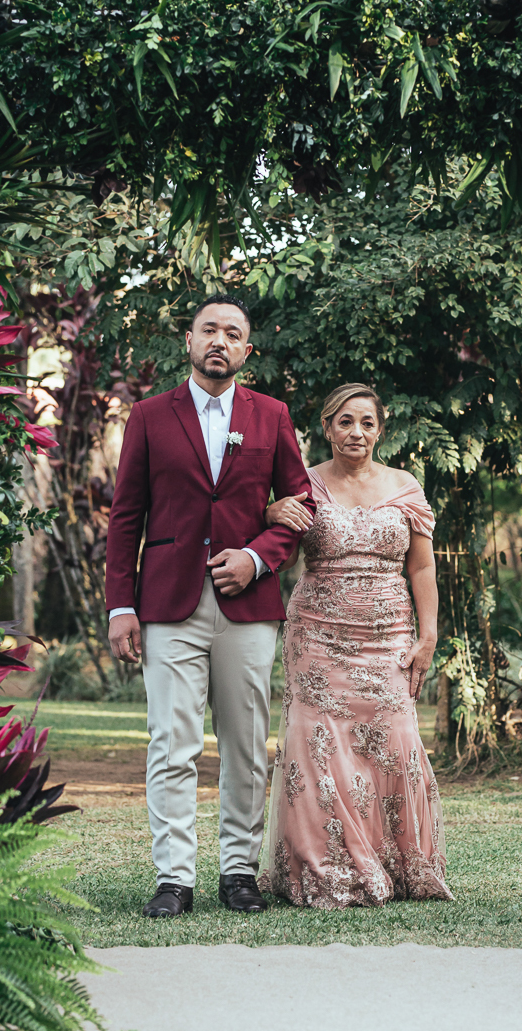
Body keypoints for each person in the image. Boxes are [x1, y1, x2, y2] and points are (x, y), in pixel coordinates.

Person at [104, 295, 315, 918]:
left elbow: (300, 506)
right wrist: (120, 606)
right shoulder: (148, 416)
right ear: (189, 341)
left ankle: (239, 873)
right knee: (172, 744)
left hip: (248, 604)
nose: (219, 340)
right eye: (209, 330)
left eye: (233, 333)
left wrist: (257, 557)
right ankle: (174, 878)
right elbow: (125, 517)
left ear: (247, 349)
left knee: (245, 745)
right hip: (167, 603)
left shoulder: (271, 415)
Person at [260, 383, 452, 907]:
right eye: (345, 421)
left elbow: (422, 567)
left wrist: (428, 635)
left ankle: (398, 864)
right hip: (317, 637)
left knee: (393, 741)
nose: (356, 432)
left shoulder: (404, 486)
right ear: (327, 428)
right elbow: (277, 548)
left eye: (367, 422)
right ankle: (325, 868)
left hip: (388, 638)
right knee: (317, 745)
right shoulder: (304, 484)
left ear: (380, 430)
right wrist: (272, 513)